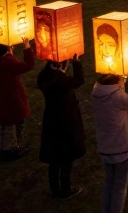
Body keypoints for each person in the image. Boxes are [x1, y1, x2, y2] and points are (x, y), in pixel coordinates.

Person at [91, 66, 128, 213]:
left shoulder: (97, 94)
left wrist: (122, 78)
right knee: (120, 187)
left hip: (105, 148)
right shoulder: (119, 98)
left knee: (109, 183)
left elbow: (115, 88)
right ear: (117, 85)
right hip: (122, 149)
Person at [39, 55, 86, 200]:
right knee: (66, 158)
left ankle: (54, 189)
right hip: (65, 122)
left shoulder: (44, 76)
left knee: (54, 159)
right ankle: (65, 189)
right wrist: (77, 63)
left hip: (51, 121)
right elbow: (79, 80)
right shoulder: (61, 81)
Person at [0, 39, 37, 160]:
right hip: (11, 100)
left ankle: (10, 147)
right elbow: (28, 65)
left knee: (7, 125)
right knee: (12, 124)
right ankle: (10, 149)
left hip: (1, 98)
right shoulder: (7, 62)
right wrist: (26, 47)